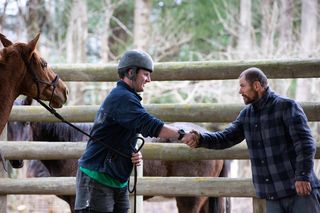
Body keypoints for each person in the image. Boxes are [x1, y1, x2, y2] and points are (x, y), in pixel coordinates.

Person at [183, 67, 320, 213]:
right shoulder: (247, 115)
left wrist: (303, 176)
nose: (240, 91)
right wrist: (200, 139)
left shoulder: (287, 106)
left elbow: (305, 144)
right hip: (273, 196)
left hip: (300, 191)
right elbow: (226, 137)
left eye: (242, 86)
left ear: (257, 85)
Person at [74, 49, 191, 213]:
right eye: (146, 74)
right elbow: (150, 125)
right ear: (131, 72)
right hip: (97, 178)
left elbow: (118, 133)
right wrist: (182, 134)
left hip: (117, 180)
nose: (149, 79)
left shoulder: (127, 97)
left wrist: (130, 152)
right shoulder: (122, 98)